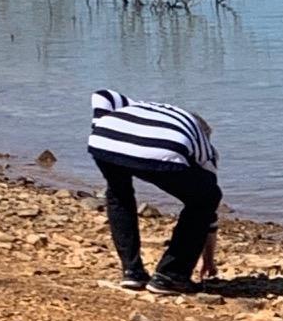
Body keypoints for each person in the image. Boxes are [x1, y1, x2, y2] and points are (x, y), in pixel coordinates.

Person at [88, 88, 221, 295]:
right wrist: (209, 260)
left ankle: (132, 272)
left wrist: (99, 127)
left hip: (103, 141)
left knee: (118, 195)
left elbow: (102, 95)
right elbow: (209, 205)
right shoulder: (203, 143)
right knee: (206, 198)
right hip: (164, 147)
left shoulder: (138, 106)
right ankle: (171, 276)